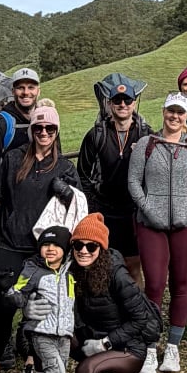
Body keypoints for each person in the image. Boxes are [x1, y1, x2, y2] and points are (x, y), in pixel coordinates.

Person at [0, 102, 86, 373]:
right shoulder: (13, 159)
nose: (44, 132)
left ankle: (30, 363)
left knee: (39, 308)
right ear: (32, 130)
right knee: (2, 305)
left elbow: (78, 207)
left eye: (50, 128)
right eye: (38, 127)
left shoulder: (64, 167)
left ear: (56, 131)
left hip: (44, 249)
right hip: (10, 242)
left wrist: (69, 192)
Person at [129, 93, 187, 373]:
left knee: (181, 283)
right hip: (150, 223)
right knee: (154, 283)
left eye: (180, 112)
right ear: (163, 112)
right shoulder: (146, 144)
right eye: (171, 111)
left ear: (186, 115)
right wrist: (147, 208)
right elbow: (134, 181)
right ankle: (150, 347)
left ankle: (173, 347)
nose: (175, 117)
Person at [66, 213, 161, 373]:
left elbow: (141, 318)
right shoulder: (73, 271)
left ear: (101, 248)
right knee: (53, 337)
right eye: (78, 245)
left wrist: (105, 343)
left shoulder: (117, 275)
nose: (83, 251)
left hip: (127, 348)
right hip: (93, 337)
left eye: (91, 246)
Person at [76, 74, 151, 277]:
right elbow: (82, 175)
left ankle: (134, 299)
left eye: (127, 100)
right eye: (117, 100)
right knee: (102, 266)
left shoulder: (146, 135)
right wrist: (91, 210)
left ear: (134, 103)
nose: (122, 104)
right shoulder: (95, 135)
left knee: (133, 266)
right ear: (109, 103)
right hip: (104, 211)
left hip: (133, 211)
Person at [6, 224, 78, 373]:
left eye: (56, 245)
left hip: (64, 333)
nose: (50, 249)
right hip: (41, 331)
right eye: (46, 245)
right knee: (56, 372)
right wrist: (22, 301)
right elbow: (16, 291)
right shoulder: (33, 269)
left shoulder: (70, 271)